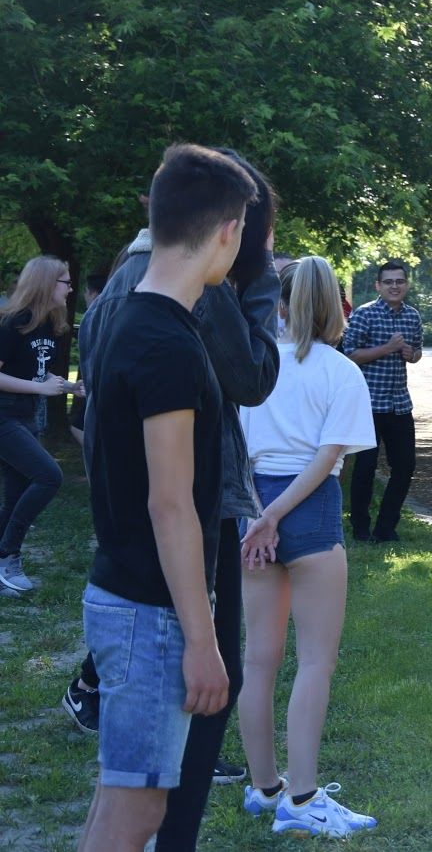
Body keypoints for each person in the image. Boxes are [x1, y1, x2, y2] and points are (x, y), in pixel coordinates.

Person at [76, 144, 256, 852]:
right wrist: (203, 642)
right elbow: (171, 504)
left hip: (125, 596)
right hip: (149, 612)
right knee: (136, 816)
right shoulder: (166, 341)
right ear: (227, 232)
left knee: (118, 803)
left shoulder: (130, 317)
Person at [236, 255, 377, 837]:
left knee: (258, 659)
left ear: (280, 300)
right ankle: (301, 800)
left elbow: (235, 452)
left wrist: (260, 515)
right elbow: (326, 459)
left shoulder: (252, 369)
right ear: (334, 305)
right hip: (309, 511)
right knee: (315, 660)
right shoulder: (341, 372)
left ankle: (264, 788)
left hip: (252, 509)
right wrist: (275, 515)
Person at [0, 255, 80, 593]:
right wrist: (39, 388)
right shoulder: (12, 322)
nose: (71, 288)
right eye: (66, 282)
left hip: (26, 414)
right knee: (49, 476)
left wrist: (69, 386)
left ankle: (4, 564)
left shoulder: (49, 325)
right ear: (47, 284)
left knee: (16, 494)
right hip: (4, 416)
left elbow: (35, 372)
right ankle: (8, 553)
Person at [341, 260, 422, 543]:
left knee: (405, 466)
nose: (394, 286)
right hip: (369, 404)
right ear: (378, 285)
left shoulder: (412, 316)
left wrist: (411, 354)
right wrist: (387, 348)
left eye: (399, 281)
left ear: (406, 285)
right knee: (365, 468)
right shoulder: (365, 314)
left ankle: (386, 527)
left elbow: (417, 351)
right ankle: (360, 528)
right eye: (388, 282)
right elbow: (349, 355)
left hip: (400, 404)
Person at [68, 270, 108, 448]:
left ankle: (101, 458)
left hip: (101, 382)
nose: (84, 296)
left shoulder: (95, 317)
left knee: (79, 427)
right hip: (102, 382)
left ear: (93, 293)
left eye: (85, 291)